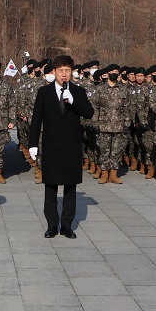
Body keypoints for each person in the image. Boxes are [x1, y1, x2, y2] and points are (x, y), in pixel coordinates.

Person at [29, 54, 95, 238]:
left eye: (67, 70)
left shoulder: (78, 92)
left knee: (70, 187)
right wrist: (33, 144)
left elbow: (89, 112)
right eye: (61, 71)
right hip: (51, 145)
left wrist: (73, 101)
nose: (64, 74)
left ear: (72, 72)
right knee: (50, 187)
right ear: (55, 72)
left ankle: (67, 225)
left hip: (71, 146)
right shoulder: (44, 92)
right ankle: (52, 225)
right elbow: (36, 120)